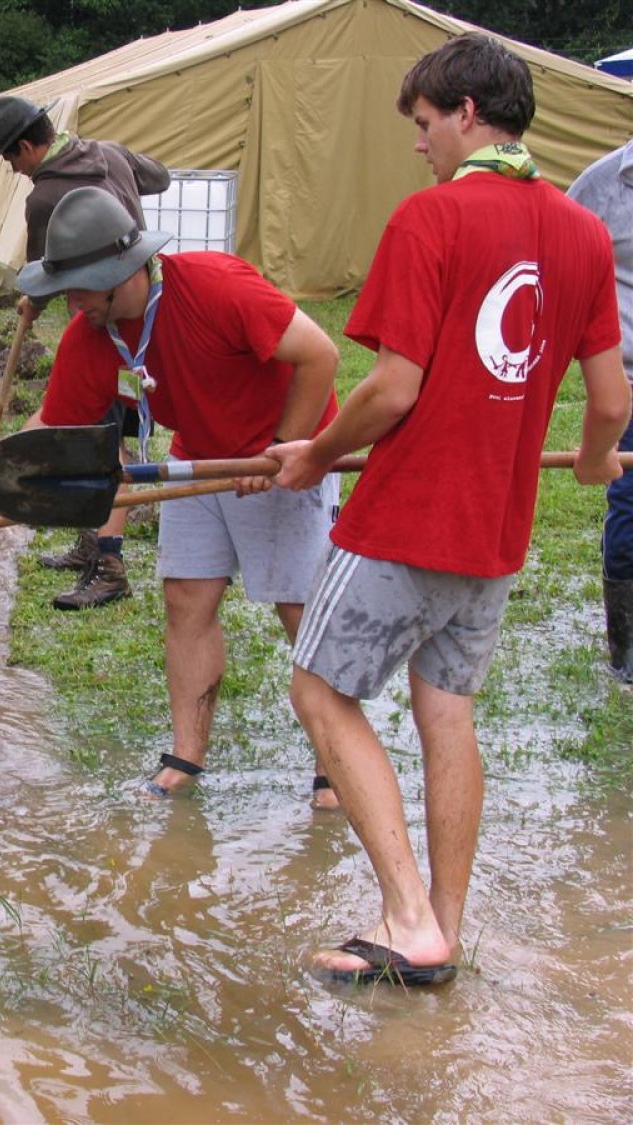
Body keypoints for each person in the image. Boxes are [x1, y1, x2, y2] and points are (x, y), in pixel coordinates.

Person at [266, 33, 627, 986]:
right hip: (495, 536)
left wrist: (314, 455)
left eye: (424, 125)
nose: (419, 144)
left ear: (467, 112)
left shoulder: (430, 220)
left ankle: (406, 918)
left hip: (410, 516)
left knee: (318, 690)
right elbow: (615, 402)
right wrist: (593, 466)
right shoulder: (586, 232)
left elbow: (390, 390)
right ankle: (443, 929)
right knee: (447, 709)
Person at [0, 186, 344, 807]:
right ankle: (186, 755)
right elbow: (53, 434)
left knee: (297, 609)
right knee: (187, 600)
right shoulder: (91, 335)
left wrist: (283, 447)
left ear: (117, 274)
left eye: (77, 285)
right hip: (196, 461)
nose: (69, 302)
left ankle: (333, 767)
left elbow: (320, 355)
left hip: (284, 457)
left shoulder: (216, 287)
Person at [0, 94, 173, 608]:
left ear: (27, 146)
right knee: (111, 431)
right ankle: (93, 539)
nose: (15, 170)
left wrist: (33, 302)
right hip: (138, 320)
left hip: (103, 334)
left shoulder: (45, 197)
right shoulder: (109, 152)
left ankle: (108, 561)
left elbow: (46, 275)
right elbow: (160, 178)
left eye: (10, 158)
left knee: (103, 442)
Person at [567, 139, 633, 684]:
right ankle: (627, 652)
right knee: (630, 510)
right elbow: (564, 261)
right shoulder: (601, 184)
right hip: (629, 377)